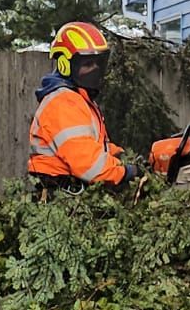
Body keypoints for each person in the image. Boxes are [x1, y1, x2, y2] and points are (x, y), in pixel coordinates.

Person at [28, 21, 138, 190]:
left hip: (74, 193)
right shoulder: (63, 102)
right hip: (61, 198)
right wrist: (123, 173)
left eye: (98, 64)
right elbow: (88, 162)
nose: (94, 69)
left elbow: (95, 146)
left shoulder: (81, 99)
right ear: (65, 65)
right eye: (87, 64)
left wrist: (120, 156)